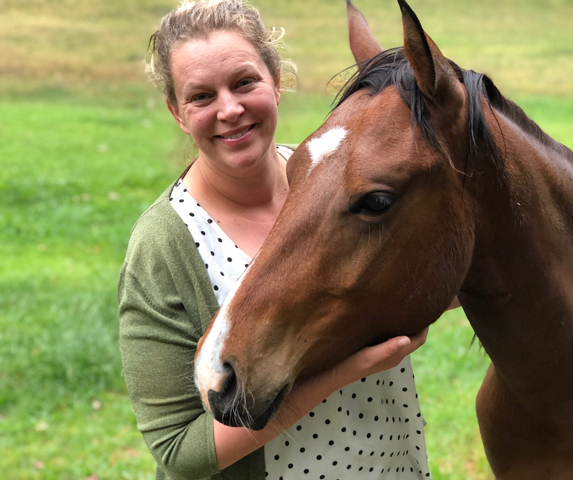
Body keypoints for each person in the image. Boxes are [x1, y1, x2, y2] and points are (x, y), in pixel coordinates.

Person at [119, 1, 440, 478]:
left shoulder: (353, 188)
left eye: (245, 82)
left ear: (275, 81)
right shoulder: (162, 246)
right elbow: (179, 451)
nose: (229, 109)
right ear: (178, 113)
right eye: (201, 97)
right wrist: (344, 371)